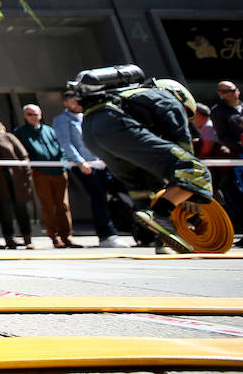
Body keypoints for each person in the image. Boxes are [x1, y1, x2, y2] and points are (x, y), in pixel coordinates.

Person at [72, 66, 212, 253]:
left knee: (145, 185)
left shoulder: (128, 96)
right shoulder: (168, 99)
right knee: (193, 168)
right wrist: (191, 189)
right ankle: (161, 215)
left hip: (90, 129)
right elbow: (182, 146)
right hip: (115, 125)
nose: (185, 117)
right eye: (187, 114)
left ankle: (163, 240)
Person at [53, 89, 125, 248]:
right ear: (66, 103)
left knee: (108, 196)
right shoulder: (62, 120)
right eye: (74, 100)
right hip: (84, 165)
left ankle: (113, 230)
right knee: (98, 197)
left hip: (100, 163)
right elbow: (66, 143)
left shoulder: (86, 116)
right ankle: (106, 234)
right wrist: (80, 162)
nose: (78, 103)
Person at [14, 103, 77, 248]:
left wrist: (63, 163)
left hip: (59, 171)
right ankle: (54, 236)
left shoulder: (49, 131)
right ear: (25, 116)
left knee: (63, 205)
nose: (33, 117)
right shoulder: (20, 133)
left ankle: (67, 236)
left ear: (41, 115)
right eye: (29, 114)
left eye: (36, 114)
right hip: (40, 172)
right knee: (47, 205)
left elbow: (60, 147)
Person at [0, 113, 33, 249]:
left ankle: (28, 239)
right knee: (5, 212)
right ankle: (9, 239)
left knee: (21, 210)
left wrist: (26, 176)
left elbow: (23, 156)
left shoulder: (8, 137)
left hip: (16, 180)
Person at [209, 80, 243, 156]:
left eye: (232, 90)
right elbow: (222, 137)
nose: (229, 93)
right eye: (224, 92)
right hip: (236, 154)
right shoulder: (217, 111)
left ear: (238, 91)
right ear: (220, 93)